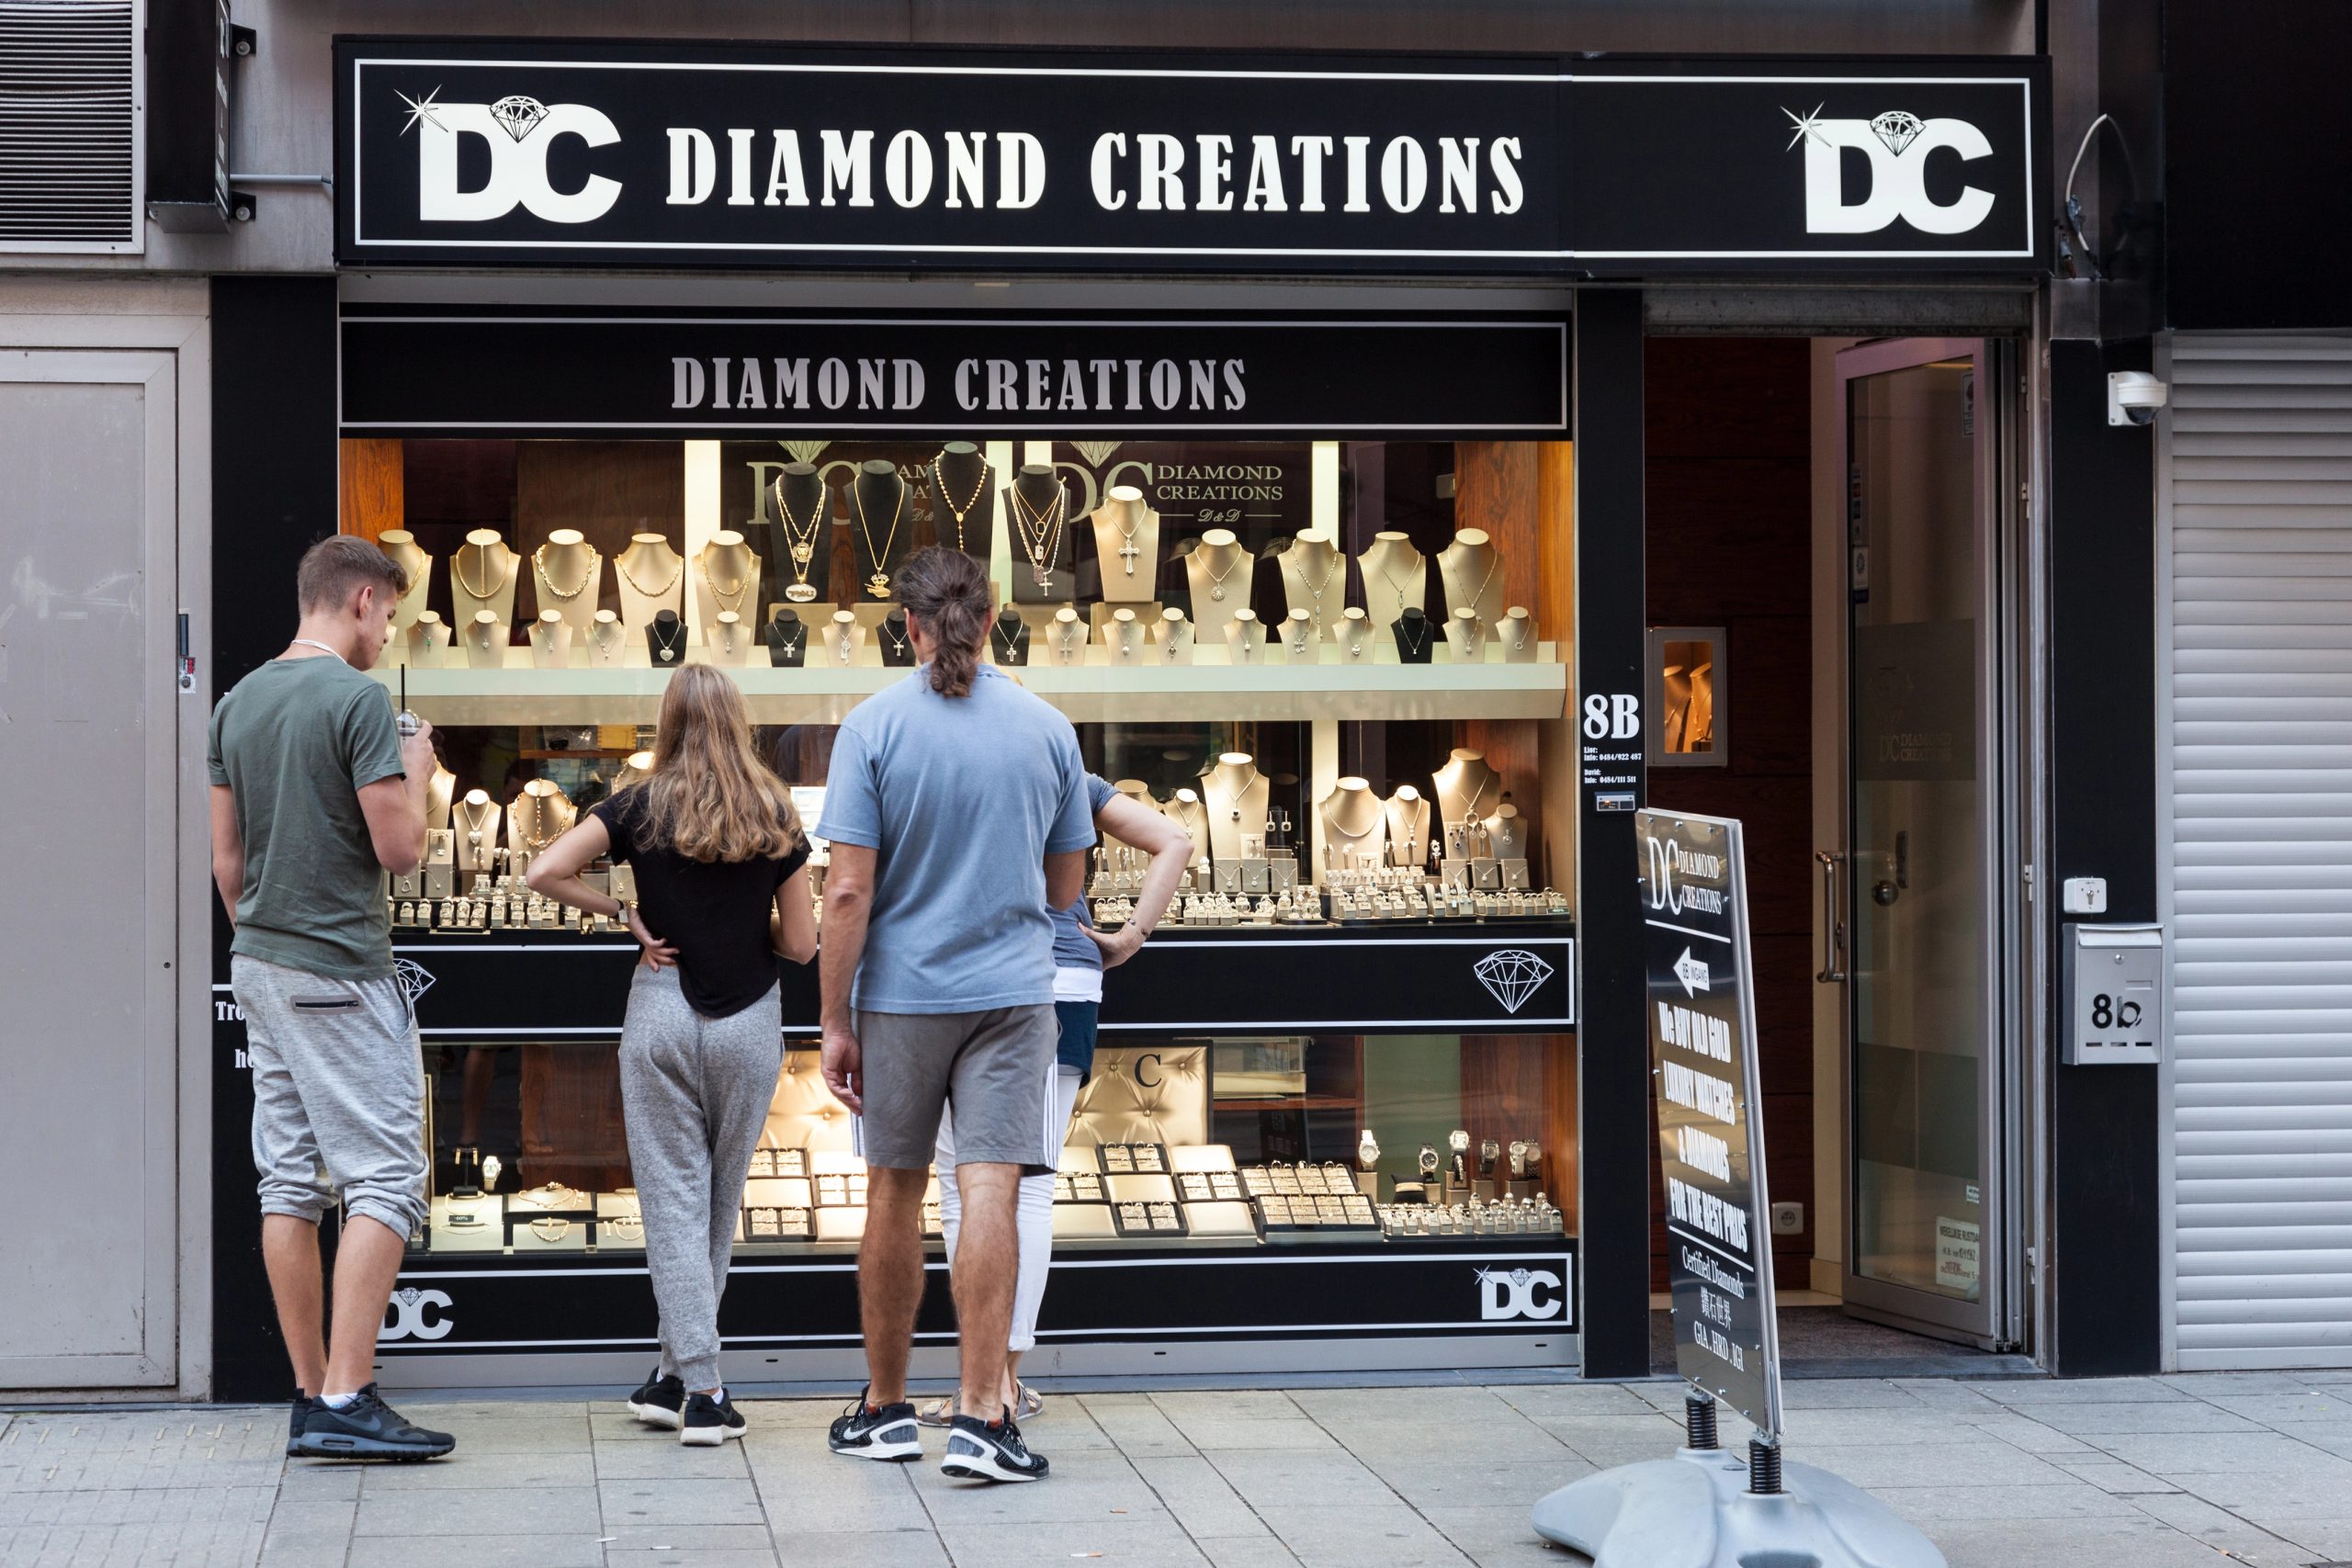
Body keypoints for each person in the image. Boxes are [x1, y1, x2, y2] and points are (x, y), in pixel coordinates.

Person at [818, 547, 1093, 1484]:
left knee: (894, 1190)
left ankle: (887, 1409)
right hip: (1013, 997)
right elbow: (1066, 887)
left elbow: (847, 893)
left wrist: (835, 1018)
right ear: (992, 617)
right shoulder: (1048, 728)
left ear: (910, 626)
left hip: (900, 995)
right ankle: (983, 1414)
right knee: (990, 1190)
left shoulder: (872, 727)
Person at [207, 535, 453, 1461]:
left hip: (261, 962)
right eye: (389, 613)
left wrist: (261, 943)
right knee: (386, 1175)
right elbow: (398, 851)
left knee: (291, 1179)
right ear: (358, 599)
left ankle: (314, 1394)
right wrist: (418, 770)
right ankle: (350, 1396)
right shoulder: (356, 701)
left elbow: (226, 861)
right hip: (339, 968)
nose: (388, 632)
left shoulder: (237, 701)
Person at [527, 665, 817, 1447]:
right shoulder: (777, 812)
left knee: (674, 1203)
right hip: (749, 1017)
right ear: (739, 722)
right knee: (717, 1203)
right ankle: (700, 1384)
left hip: (660, 1007)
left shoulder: (635, 804)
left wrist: (621, 909)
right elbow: (800, 943)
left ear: (669, 723)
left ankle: (685, 1380)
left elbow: (543, 869)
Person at [921, 781, 1190, 1425]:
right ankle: (1006, 1378)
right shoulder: (1060, 765)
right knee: (1031, 1185)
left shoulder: (948, 757)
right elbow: (1173, 839)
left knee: (964, 1185)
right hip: (1067, 973)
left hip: (967, 972)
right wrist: (1131, 935)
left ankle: (983, 1383)